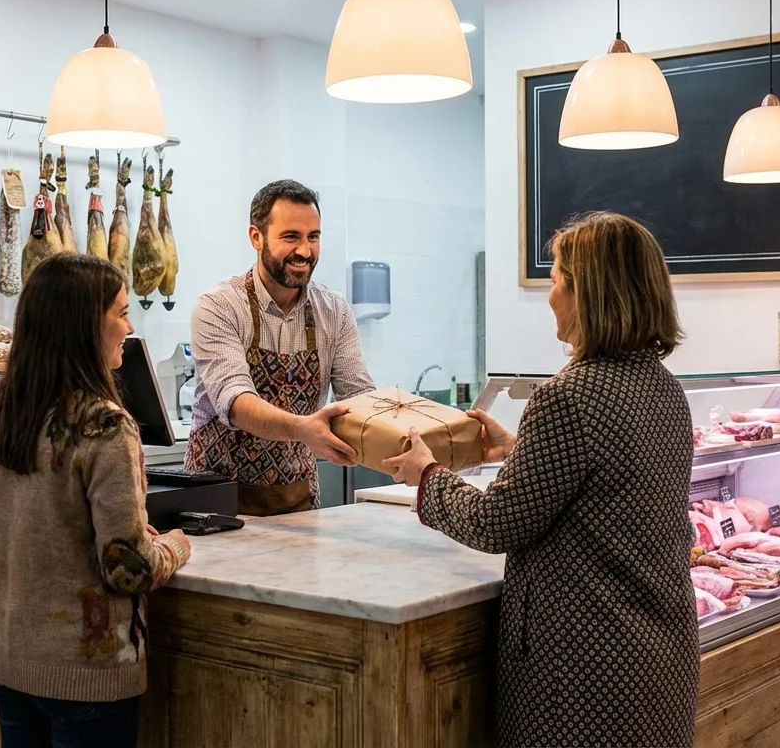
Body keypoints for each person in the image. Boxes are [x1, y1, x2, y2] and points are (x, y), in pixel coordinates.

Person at [386, 212, 699, 747]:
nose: (550, 296)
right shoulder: (664, 387)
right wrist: (519, 448)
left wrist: (426, 476)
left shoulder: (569, 395)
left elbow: (497, 523)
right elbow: (608, 480)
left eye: (555, 280)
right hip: (661, 654)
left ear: (588, 293)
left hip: (586, 669)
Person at [0, 253, 192, 748]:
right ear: (84, 324)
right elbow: (127, 569)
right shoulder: (107, 425)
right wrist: (176, 546)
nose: (129, 326)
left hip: (11, 663)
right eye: (120, 311)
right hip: (86, 673)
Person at [184, 179, 376, 516]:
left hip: (296, 501)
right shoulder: (218, 307)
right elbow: (236, 403)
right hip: (214, 503)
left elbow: (359, 399)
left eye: (313, 237)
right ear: (256, 237)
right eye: (291, 237)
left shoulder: (335, 311)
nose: (304, 251)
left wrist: (413, 437)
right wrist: (304, 429)